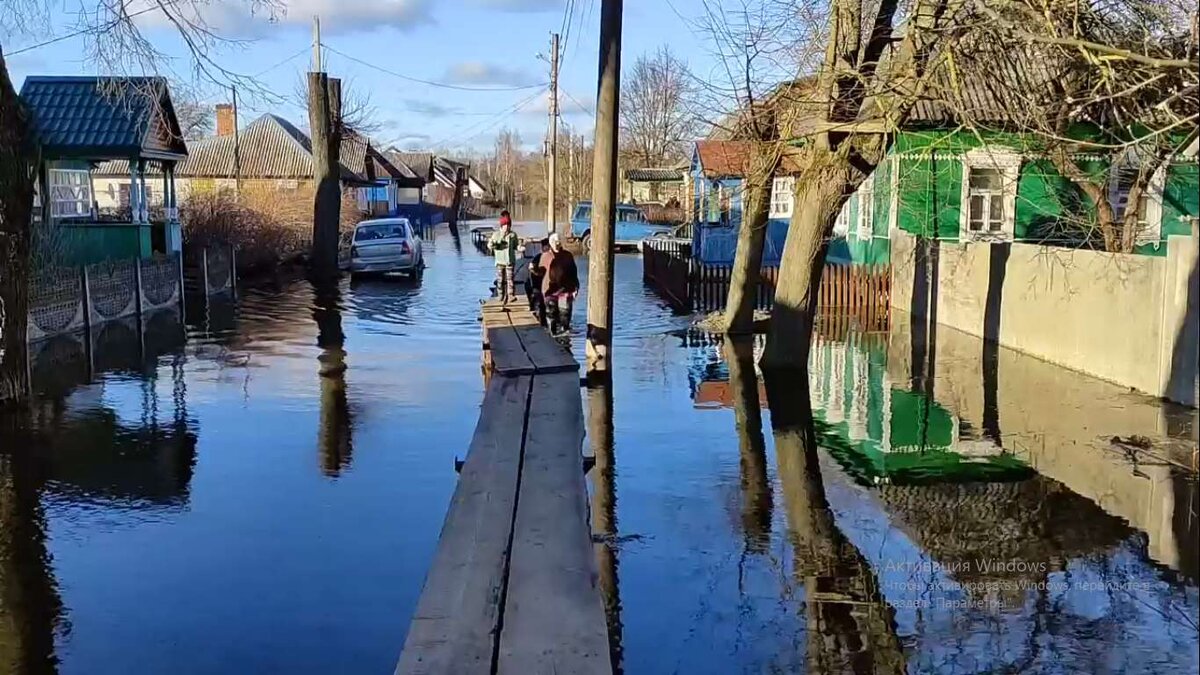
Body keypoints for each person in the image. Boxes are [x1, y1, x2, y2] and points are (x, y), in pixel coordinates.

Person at [540, 232, 580, 335]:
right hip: (550, 291)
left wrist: (576, 287)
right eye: (554, 242)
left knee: (564, 315)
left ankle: (565, 338)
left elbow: (573, 272)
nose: (557, 244)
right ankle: (551, 336)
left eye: (558, 241)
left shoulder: (567, 256)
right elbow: (540, 273)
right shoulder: (546, 256)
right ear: (550, 243)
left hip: (565, 290)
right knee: (551, 315)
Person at [487, 212, 520, 303]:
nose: (507, 227)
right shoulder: (496, 235)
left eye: (508, 225)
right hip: (500, 261)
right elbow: (490, 245)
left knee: (510, 279)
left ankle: (510, 295)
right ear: (502, 226)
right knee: (500, 280)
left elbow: (515, 246)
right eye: (505, 225)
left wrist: (519, 248)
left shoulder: (513, 235)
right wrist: (493, 244)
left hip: (510, 260)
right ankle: (500, 295)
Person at [526, 237, 551, 324]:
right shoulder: (538, 258)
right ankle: (542, 321)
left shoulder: (551, 257)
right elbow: (533, 271)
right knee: (541, 305)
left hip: (547, 286)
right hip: (539, 286)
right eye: (547, 246)